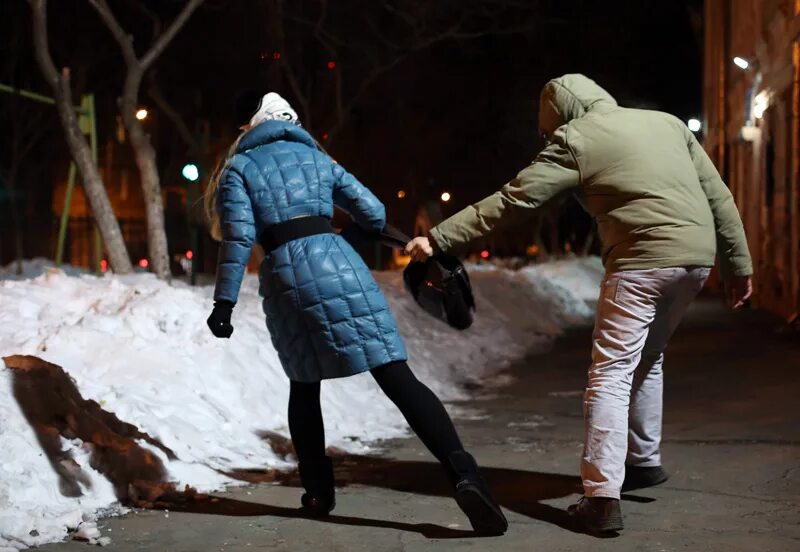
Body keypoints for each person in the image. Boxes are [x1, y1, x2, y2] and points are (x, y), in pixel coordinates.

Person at [406, 74, 753, 533]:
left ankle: (602, 499)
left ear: (560, 118)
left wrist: (440, 237)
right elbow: (719, 197)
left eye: (548, 132)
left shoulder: (576, 138)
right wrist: (739, 265)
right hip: (694, 260)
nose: (549, 140)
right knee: (648, 357)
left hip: (641, 261)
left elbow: (513, 200)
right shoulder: (668, 124)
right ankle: (644, 462)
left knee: (610, 373)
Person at [204, 92, 507, 535]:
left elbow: (236, 241)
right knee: (396, 375)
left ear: (253, 127)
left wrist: (223, 304)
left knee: (304, 384)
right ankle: (465, 476)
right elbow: (373, 212)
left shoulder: (239, 169)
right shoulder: (317, 159)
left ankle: (317, 492)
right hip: (336, 262)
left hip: (284, 277)